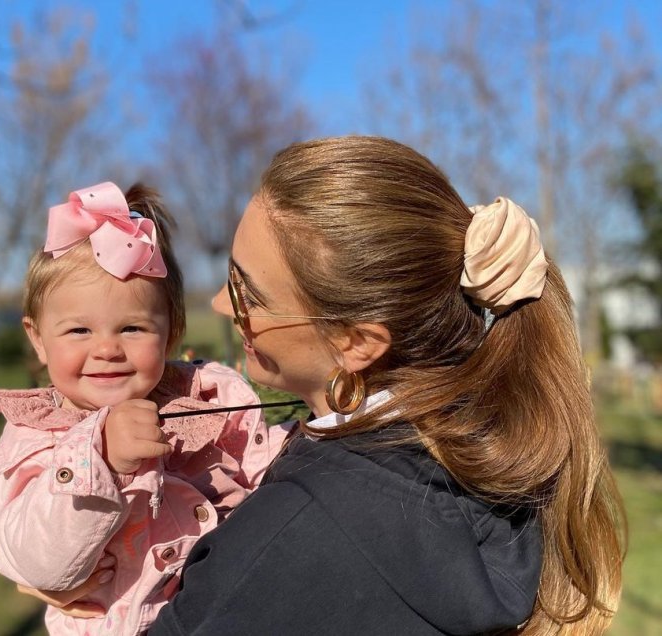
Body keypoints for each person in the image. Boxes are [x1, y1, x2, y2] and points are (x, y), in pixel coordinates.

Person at [144, 136, 624, 634]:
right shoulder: (486, 452)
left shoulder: (294, 536)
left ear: (355, 342)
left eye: (250, 295)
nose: (223, 304)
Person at [0, 181, 292, 636]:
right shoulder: (37, 435)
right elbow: (32, 560)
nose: (106, 349)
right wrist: (100, 459)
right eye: (78, 331)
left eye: (131, 328)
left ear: (171, 333)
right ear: (37, 338)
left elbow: (267, 468)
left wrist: (311, 436)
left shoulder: (207, 398)